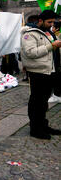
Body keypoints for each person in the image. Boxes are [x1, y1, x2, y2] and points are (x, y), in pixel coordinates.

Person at [20, 10, 61, 140]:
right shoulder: (30, 34)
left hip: (50, 71)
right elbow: (30, 52)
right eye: (49, 22)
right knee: (36, 102)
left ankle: (43, 125)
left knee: (44, 102)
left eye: (53, 22)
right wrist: (52, 46)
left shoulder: (49, 33)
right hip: (38, 73)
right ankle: (35, 129)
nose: (51, 24)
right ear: (40, 21)